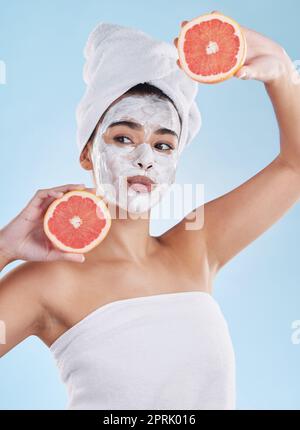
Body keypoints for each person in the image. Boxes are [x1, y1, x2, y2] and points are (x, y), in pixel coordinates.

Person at [0, 14, 299, 410]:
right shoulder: (48, 280)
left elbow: (294, 169)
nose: (145, 159)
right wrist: (3, 247)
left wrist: (280, 69)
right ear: (88, 152)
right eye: (124, 137)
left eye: (163, 145)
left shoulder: (196, 248)